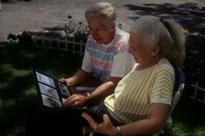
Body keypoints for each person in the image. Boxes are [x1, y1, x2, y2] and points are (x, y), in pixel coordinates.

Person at [82, 15, 186, 136]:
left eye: (135, 47)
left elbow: (156, 121)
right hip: (104, 111)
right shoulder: (143, 63)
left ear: (155, 50)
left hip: (116, 124)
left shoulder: (163, 71)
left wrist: (116, 132)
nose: (129, 51)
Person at [60, 2, 135, 107]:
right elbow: (86, 71)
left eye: (99, 29)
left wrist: (87, 97)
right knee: (67, 96)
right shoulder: (92, 39)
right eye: (90, 28)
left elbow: (114, 83)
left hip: (121, 93)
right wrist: (67, 82)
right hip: (100, 85)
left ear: (112, 26)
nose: (93, 34)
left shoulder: (123, 44)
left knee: (74, 103)